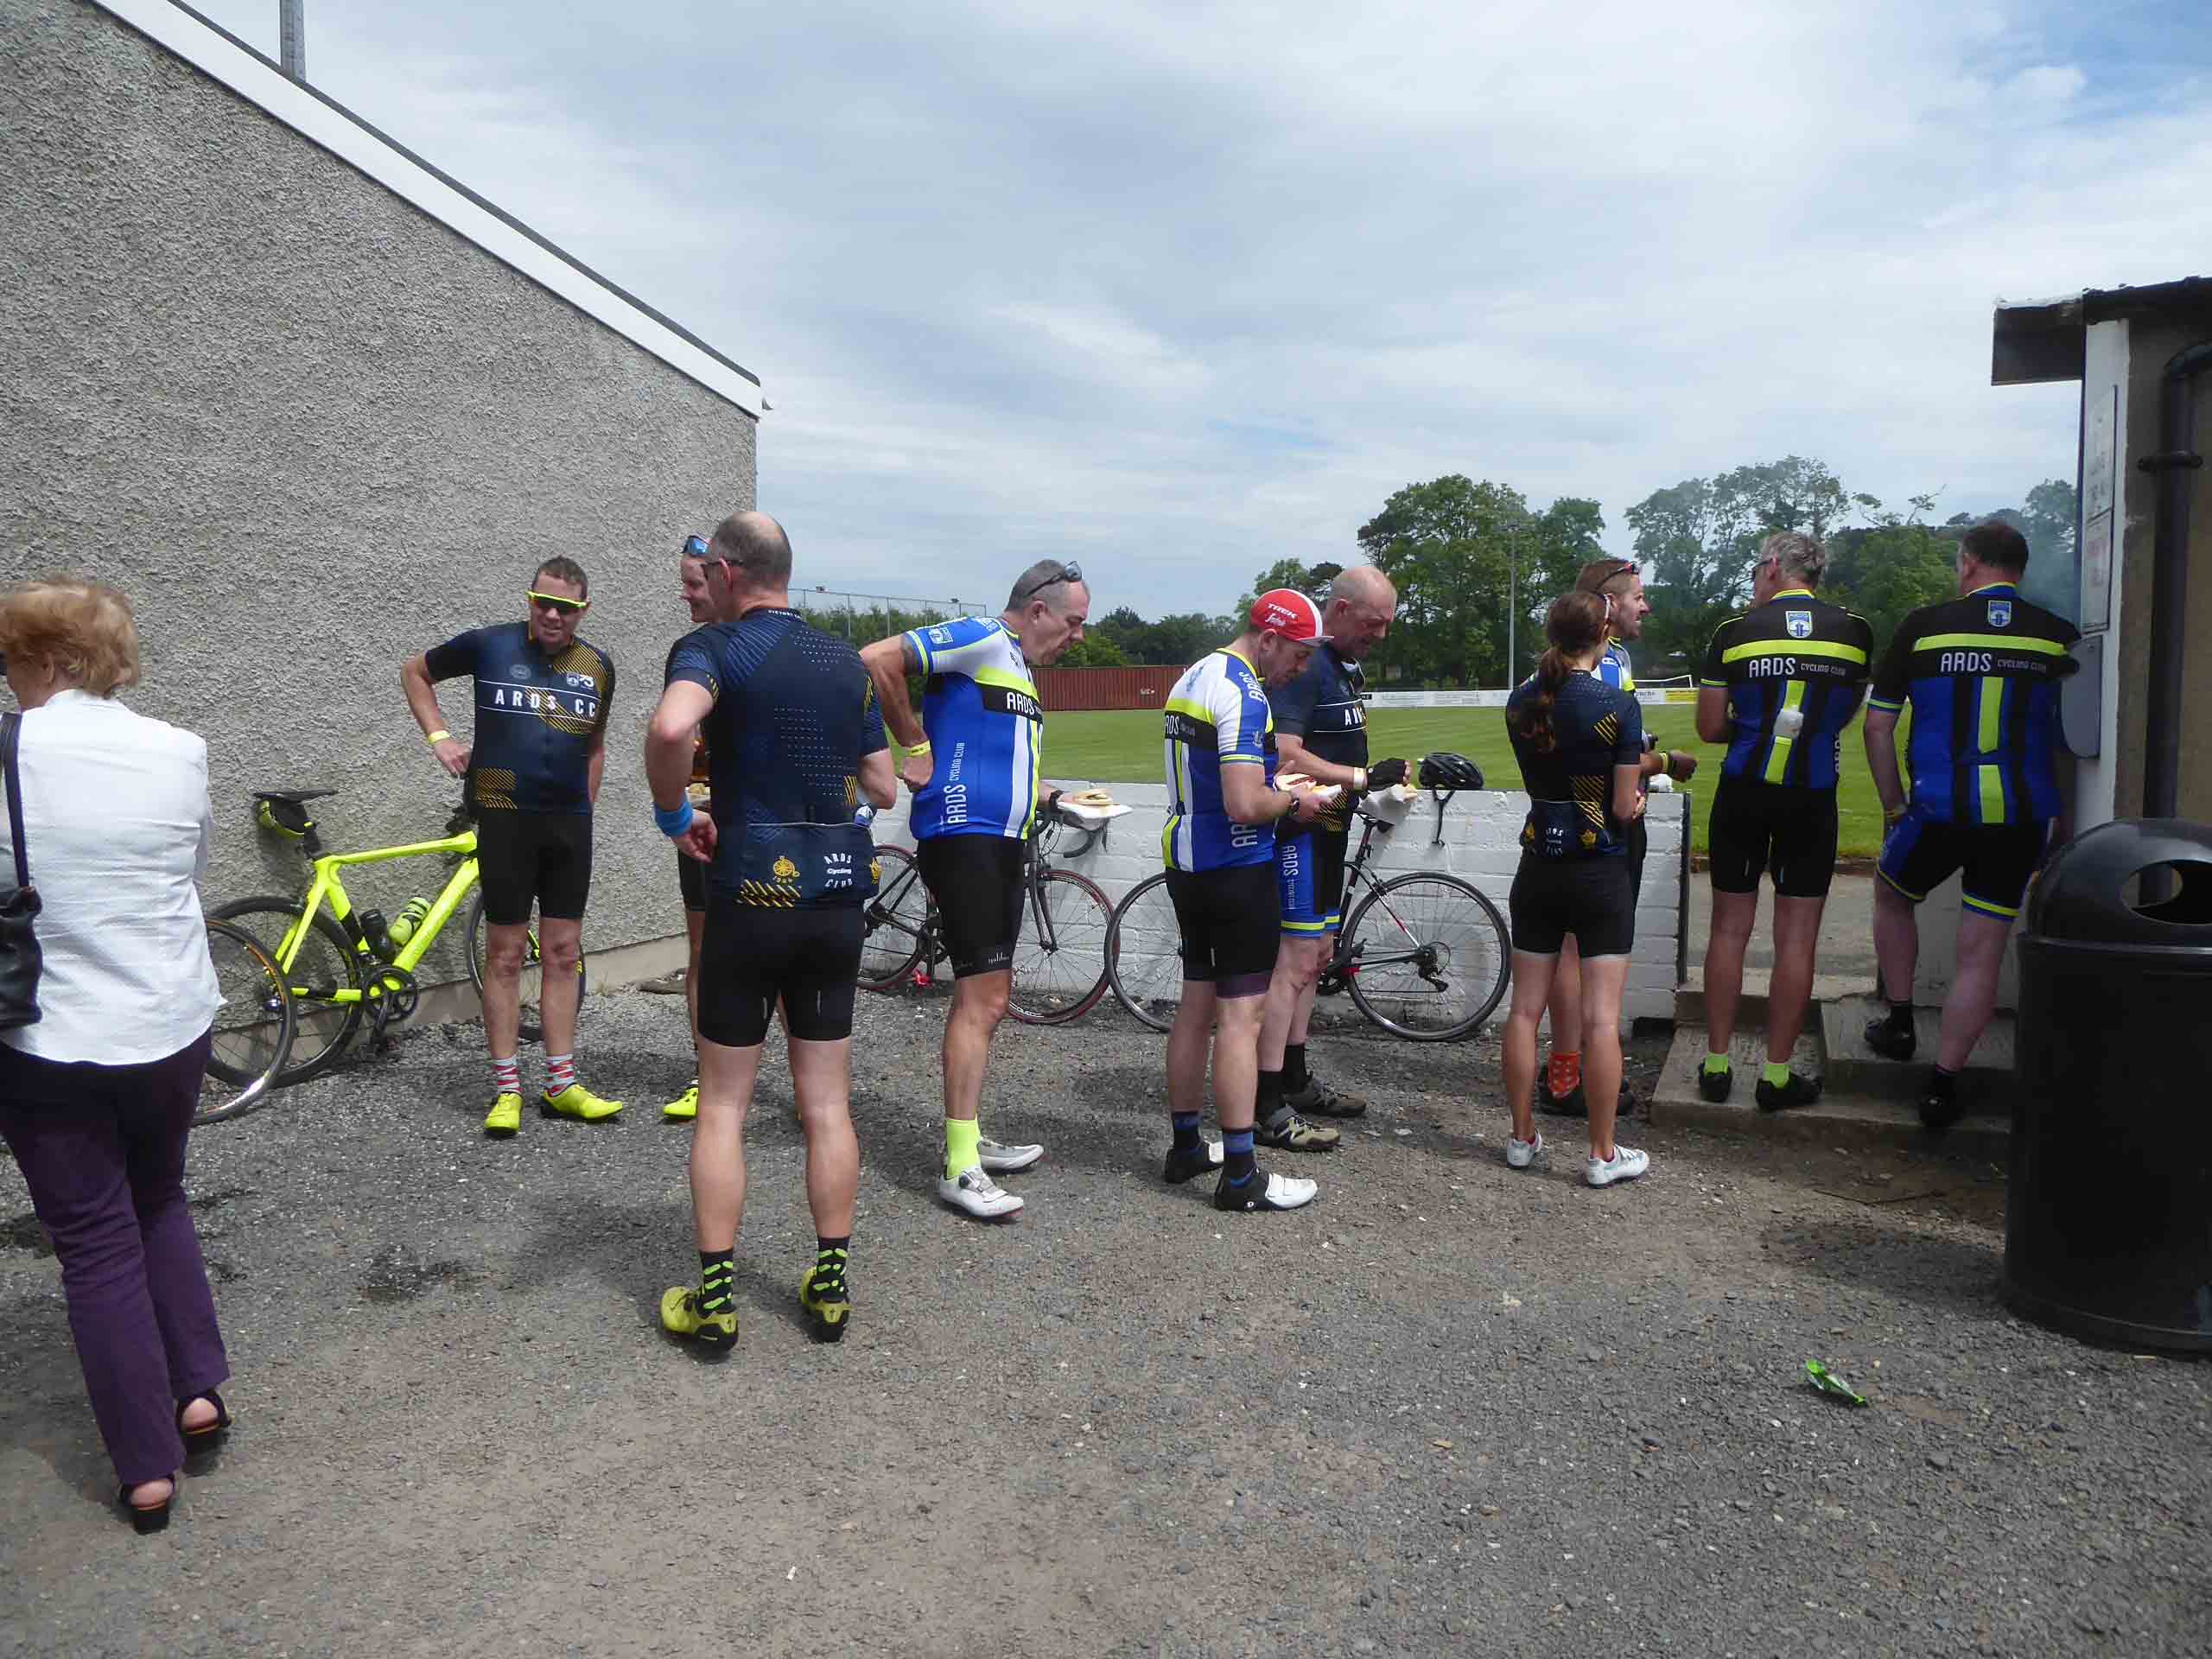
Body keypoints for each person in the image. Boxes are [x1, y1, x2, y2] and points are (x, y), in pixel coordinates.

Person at [0, 580, 232, 1532]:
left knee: (95, 1242)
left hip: (47, 1037)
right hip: (171, 1022)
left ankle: (145, 1466)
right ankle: (198, 1392)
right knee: (159, 1196)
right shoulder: (180, 751)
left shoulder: (10, 752)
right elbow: (187, 867)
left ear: (44, 658)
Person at [646, 512, 897, 1346]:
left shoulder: (714, 649)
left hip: (750, 893)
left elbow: (672, 728)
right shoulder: (844, 661)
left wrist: (675, 810)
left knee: (722, 1104)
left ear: (723, 572)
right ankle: (830, 1287)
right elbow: (885, 786)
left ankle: (715, 1302)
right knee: (827, 1104)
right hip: (833, 898)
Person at [858, 561, 1090, 1221]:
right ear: (1038, 609)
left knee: (986, 997)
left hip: (998, 837)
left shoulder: (1015, 667)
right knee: (982, 998)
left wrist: (1049, 795)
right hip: (966, 837)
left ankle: (969, 1135)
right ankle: (959, 1164)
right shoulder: (985, 636)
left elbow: (993, 755)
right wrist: (915, 742)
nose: (1078, 636)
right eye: (1074, 622)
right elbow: (878, 659)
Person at [1862, 520, 2078, 1129]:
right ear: (2022, 570)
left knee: (1889, 893)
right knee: (1981, 953)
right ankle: (1942, 1086)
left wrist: (1895, 806)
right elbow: (2073, 740)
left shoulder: (1922, 627)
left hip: (1938, 809)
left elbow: (1877, 727)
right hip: (2019, 815)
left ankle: (1900, 1021)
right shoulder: (2058, 637)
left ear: (1968, 564)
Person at [402, 556, 620, 1135]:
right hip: (503, 819)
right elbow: (414, 672)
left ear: (583, 611)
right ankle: (505, 1090)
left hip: (569, 825)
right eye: (542, 602)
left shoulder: (598, 666)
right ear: (529, 599)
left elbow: (595, 746)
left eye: (565, 607)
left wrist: (586, 808)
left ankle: (561, 1084)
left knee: (563, 954)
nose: (552, 614)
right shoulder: (488, 646)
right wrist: (441, 737)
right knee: (502, 955)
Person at [1160, 591, 1331, 1213]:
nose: (1302, 668)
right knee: (1240, 1020)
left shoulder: (1193, 676)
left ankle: (1185, 1147)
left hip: (1188, 862)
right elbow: (1243, 803)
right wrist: (1295, 800)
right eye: (1299, 652)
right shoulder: (1245, 690)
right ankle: (1241, 1176)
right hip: (1235, 868)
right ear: (1269, 637)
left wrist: (1270, 785)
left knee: (1194, 1008)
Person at [1692, 532, 1873, 1111]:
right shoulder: (1856, 630)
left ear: (1772, 567)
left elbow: (1709, 728)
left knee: (1727, 930)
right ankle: (1775, 1076)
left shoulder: (1733, 632)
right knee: (1797, 940)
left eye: (1755, 568)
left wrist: (1754, 727)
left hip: (1744, 790)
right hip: (1811, 793)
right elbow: (1845, 714)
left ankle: (1717, 1066)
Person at [1499, 590, 1650, 1186]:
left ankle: (1520, 1139)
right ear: (1604, 630)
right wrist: (1636, 801)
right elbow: (1620, 802)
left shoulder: (1519, 700)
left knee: (1523, 1012)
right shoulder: (1614, 703)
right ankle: (1602, 1154)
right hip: (1599, 867)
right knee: (1600, 1021)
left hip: (1537, 862)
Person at [1538, 557, 1697, 1118]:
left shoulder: (1617, 658)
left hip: (1604, 823)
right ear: (1608, 606)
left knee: (1584, 952)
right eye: (1638, 596)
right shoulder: (1582, 666)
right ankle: (1567, 1072)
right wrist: (1652, 764)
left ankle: (1572, 1067)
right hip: (1598, 829)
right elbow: (1600, 757)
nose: (1645, 606)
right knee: (1580, 951)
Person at [1255, 566, 1408, 1145]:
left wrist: (1368, 778)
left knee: (1316, 958)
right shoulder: (1307, 663)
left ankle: (1293, 1077)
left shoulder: (1343, 667)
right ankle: (1266, 1101)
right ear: (1340, 610)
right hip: (1299, 835)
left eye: (1387, 625)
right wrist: (1359, 776)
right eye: (1373, 623)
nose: (1380, 635)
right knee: (1291, 966)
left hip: (1331, 831)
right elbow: (1287, 754)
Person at [663, 534, 737, 1122]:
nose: (685, 594)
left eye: (693, 583)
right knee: (704, 949)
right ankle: (705, 1072)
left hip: (757, 821)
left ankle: (800, 1076)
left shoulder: (757, 645)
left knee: (776, 948)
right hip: (705, 820)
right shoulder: (688, 651)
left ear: (721, 579)